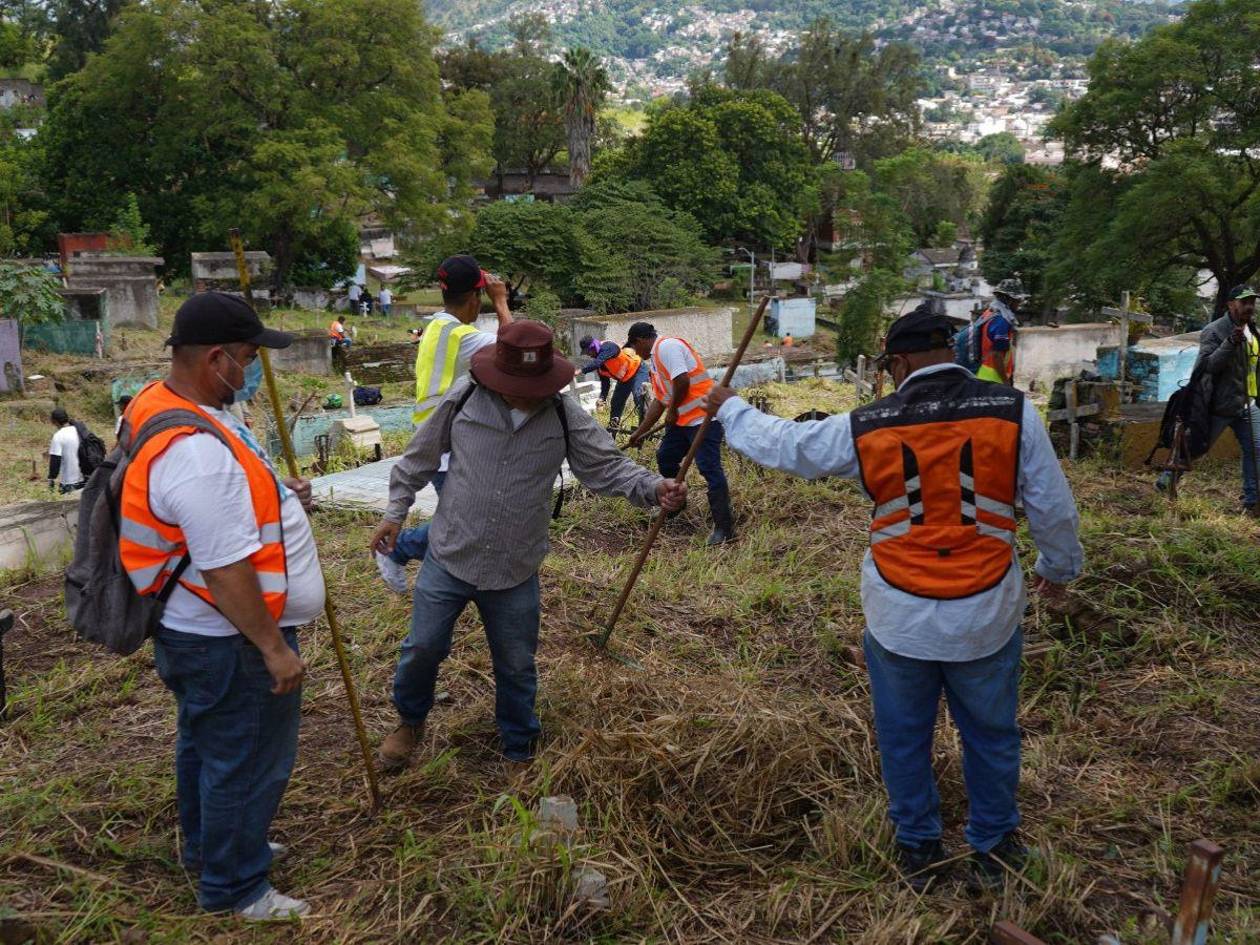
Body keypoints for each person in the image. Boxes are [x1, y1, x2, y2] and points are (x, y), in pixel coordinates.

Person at [705, 305, 1083, 891]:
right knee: (991, 733)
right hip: (986, 612)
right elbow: (1053, 509)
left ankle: (918, 848)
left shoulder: (869, 423)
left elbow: (789, 446)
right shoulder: (1014, 413)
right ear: (954, 354)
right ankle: (994, 846)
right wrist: (1057, 569)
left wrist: (728, 407)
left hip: (898, 614)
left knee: (904, 735)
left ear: (898, 363)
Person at [370, 321, 686, 770]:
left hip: (514, 567)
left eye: (532, 385)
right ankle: (409, 721)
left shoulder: (563, 414)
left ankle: (518, 746)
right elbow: (417, 460)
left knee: (517, 664)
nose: (521, 393)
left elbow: (607, 469)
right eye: (513, 384)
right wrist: (394, 514)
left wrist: (655, 488)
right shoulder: (462, 399)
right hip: (450, 554)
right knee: (423, 647)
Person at [118, 292, 323, 919]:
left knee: (207, 744)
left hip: (193, 629)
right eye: (248, 357)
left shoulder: (165, 404)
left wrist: (273, 491)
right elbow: (226, 568)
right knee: (247, 757)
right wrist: (273, 648)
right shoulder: (197, 454)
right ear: (216, 359)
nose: (254, 369)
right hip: (229, 639)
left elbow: (199, 508)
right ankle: (235, 886)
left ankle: (211, 846)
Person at [373, 255, 513, 594]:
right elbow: (516, 348)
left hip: (441, 440)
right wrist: (502, 300)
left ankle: (451, 566)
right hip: (447, 445)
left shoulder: (439, 326)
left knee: (473, 517)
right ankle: (399, 549)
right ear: (474, 297)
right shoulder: (463, 337)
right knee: (466, 523)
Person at [625, 322, 735, 545]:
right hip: (683, 423)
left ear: (641, 340)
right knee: (665, 457)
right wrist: (639, 432)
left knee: (710, 469)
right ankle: (678, 503)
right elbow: (660, 401)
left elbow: (682, 381)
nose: (636, 353)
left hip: (704, 418)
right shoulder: (655, 364)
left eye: (635, 348)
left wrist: (673, 410)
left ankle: (725, 529)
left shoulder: (668, 347)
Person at [1159, 284, 1260, 514]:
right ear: (1230, 304)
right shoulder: (1214, 331)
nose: (1249, 306)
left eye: (1252, 302)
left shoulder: (1253, 331)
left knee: (1256, 449)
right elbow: (1208, 365)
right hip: (1218, 405)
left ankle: (1252, 501)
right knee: (1196, 448)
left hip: (1247, 404)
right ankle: (1166, 480)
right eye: (1244, 302)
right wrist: (1230, 344)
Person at [575, 334, 649, 430]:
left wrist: (580, 371)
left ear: (593, 347)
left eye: (588, 352)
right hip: (625, 379)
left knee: (639, 396)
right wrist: (602, 398)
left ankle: (646, 428)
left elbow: (597, 362)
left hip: (638, 369)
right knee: (616, 403)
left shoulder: (608, 347)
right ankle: (612, 431)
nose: (589, 355)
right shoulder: (600, 366)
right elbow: (605, 384)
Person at [973, 280, 1022, 385]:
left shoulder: (989, 313)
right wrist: (1005, 381)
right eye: (1018, 299)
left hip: (984, 374)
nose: (1020, 302)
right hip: (995, 378)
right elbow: (997, 355)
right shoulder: (1002, 320)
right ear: (1008, 300)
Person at [48, 408, 84, 494]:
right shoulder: (80, 431)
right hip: (85, 481)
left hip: (69, 483)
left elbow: (55, 461)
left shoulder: (58, 436)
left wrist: (51, 478)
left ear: (54, 421)